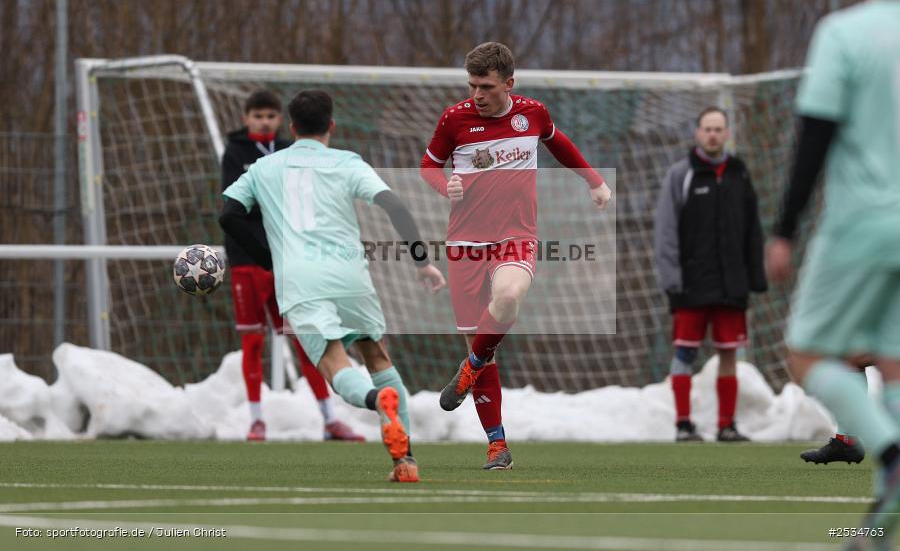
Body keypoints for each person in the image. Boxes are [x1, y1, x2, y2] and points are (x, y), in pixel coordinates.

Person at [221, 89, 445, 482]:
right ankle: (405, 461)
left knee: (333, 363)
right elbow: (394, 205)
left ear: (291, 127)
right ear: (332, 126)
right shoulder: (347, 162)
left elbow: (229, 215)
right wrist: (422, 262)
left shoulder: (264, 168)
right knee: (377, 358)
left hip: (301, 280)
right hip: (350, 276)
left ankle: (377, 401)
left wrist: (268, 258)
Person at [420, 41, 612, 470]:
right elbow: (428, 166)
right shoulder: (454, 119)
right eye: (472, 85)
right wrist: (444, 185)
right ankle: (497, 446)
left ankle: (469, 367)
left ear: (509, 83)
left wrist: (593, 181)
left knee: (508, 299)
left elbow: (558, 142)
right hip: (464, 246)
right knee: (483, 341)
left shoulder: (533, 114)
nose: (478, 94)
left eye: (486, 86)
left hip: (515, 237)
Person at [766, 0, 900, 538]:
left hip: (863, 222)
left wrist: (785, 230)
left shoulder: (843, 33)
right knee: (894, 361)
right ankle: (881, 518)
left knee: (807, 355)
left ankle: (892, 459)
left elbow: (814, 135)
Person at [222, 90, 364, 443]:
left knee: (305, 341)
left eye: (271, 116)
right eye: (258, 116)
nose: (264, 122)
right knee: (253, 342)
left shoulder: (290, 151)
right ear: (246, 119)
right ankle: (256, 420)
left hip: (288, 263)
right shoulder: (235, 153)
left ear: (281, 121)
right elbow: (236, 205)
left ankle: (330, 419)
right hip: (248, 262)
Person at [654, 107, 767, 443]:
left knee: (729, 355)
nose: (713, 134)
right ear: (697, 133)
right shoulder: (681, 174)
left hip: (731, 286)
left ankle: (726, 424)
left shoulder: (739, 173)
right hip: (690, 285)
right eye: (707, 129)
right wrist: (671, 280)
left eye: (719, 129)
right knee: (684, 353)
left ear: (727, 133)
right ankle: (683, 424)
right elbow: (665, 232)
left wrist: (753, 278)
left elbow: (752, 230)